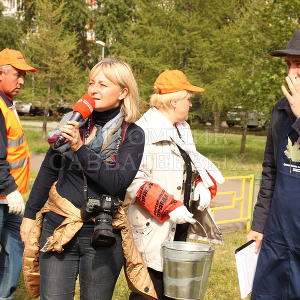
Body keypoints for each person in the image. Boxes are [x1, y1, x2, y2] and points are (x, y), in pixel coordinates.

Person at [20, 58, 145, 300]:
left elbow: (116, 182)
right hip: (59, 225)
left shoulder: (133, 134)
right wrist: (29, 214)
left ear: (123, 91)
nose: (93, 89)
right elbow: (48, 170)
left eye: (102, 84)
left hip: (103, 232)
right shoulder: (73, 122)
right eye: (91, 83)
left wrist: (80, 147)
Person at [125, 70, 225, 300]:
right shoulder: (141, 132)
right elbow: (134, 179)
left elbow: (190, 163)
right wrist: (169, 206)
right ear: (173, 101)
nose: (190, 104)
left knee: (175, 291)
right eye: (188, 99)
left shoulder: (182, 128)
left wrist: (200, 184)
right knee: (149, 291)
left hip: (178, 225)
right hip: (153, 228)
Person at [247, 29, 300, 299]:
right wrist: (259, 224)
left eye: (299, 64)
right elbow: (271, 172)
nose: (291, 73)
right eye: (289, 64)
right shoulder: (281, 110)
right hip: (278, 236)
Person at [0, 48, 36, 300]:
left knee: (15, 247)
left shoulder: (7, 105)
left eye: (23, 75)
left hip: (10, 199)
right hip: (5, 196)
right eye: (17, 74)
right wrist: (10, 190)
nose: (21, 80)